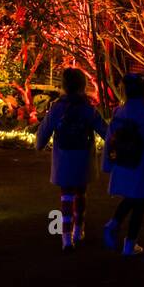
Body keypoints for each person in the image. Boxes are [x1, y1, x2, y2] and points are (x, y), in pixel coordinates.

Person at [36, 68, 108, 251]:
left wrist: (39, 144)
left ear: (64, 86)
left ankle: (66, 237)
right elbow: (104, 130)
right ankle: (78, 229)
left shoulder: (57, 108)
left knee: (66, 196)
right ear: (83, 86)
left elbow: (45, 129)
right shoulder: (87, 108)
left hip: (64, 158)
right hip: (83, 158)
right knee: (81, 194)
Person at [102, 72, 144, 257]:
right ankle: (127, 240)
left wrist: (108, 163)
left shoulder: (119, 112)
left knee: (133, 199)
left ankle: (118, 230)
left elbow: (110, 140)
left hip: (124, 164)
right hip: (143, 164)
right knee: (139, 202)